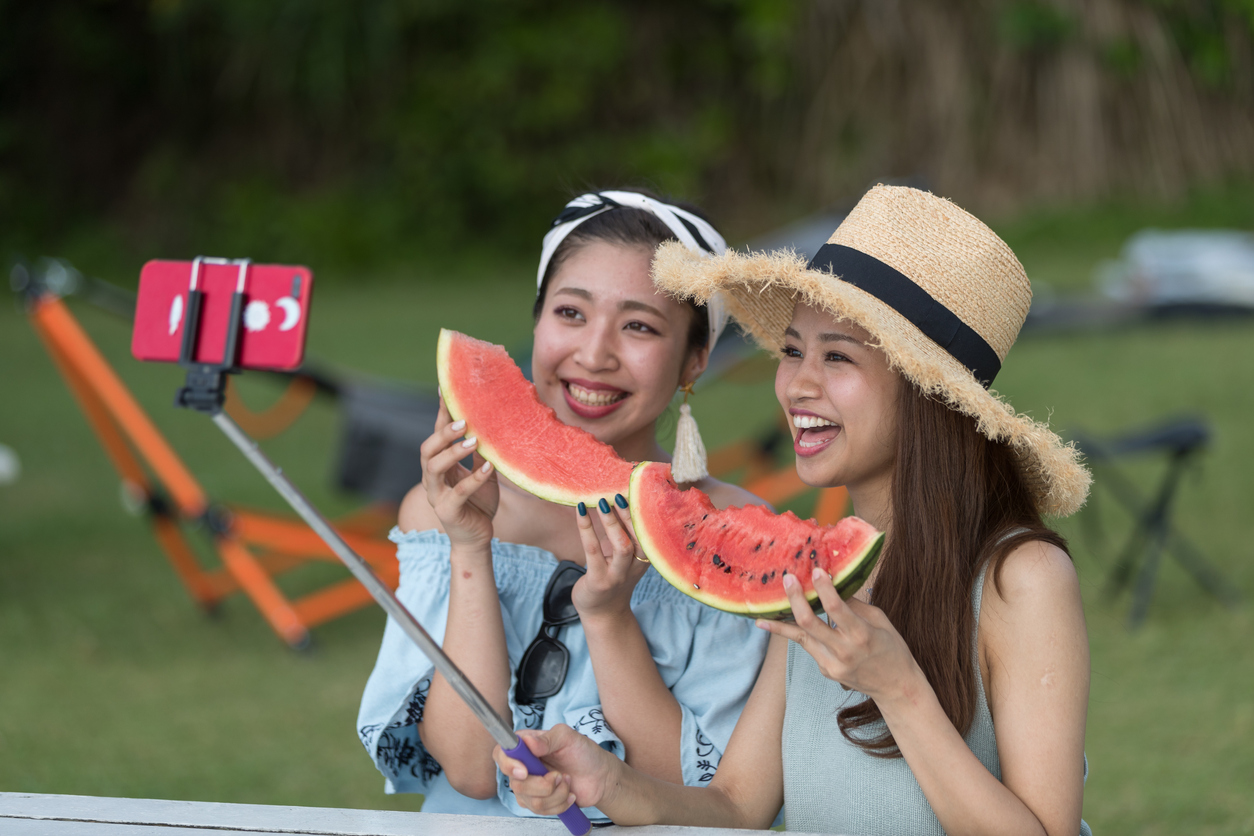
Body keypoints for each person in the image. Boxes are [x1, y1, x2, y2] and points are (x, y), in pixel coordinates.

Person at [496, 185, 1095, 836]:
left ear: (927, 394)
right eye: (791, 351)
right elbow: (736, 806)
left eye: (837, 356)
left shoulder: (1022, 577)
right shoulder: (810, 567)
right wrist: (604, 779)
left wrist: (899, 689)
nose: (796, 385)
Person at [357, 189, 770, 820]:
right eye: (571, 313)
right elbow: (469, 767)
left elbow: (685, 788)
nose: (594, 353)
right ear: (537, 322)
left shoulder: (731, 540)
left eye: (639, 326)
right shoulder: (444, 509)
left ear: (695, 360)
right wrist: (471, 546)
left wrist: (609, 619)